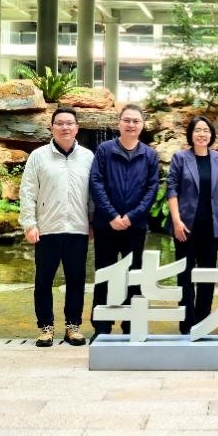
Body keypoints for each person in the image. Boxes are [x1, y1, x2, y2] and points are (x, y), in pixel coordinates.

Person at [18, 107, 94, 348]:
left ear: (77, 128)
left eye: (69, 123)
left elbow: (93, 195)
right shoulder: (38, 156)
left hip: (78, 229)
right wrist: (29, 224)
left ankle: (73, 326)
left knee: (76, 280)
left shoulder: (88, 157)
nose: (65, 127)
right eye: (59, 123)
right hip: (47, 229)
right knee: (43, 281)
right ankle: (45, 327)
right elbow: (27, 192)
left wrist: (92, 222)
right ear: (51, 127)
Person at [89, 103, 159, 337]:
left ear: (142, 125)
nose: (131, 125)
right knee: (104, 273)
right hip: (106, 224)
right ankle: (102, 326)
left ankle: (131, 324)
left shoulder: (149, 155)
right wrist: (112, 215)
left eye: (135, 121)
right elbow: (96, 183)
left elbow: (152, 189)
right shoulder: (104, 150)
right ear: (119, 123)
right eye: (127, 120)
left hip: (135, 226)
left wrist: (131, 216)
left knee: (134, 274)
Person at [167, 115, 218, 334]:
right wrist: (176, 220)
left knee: (208, 275)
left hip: (210, 226)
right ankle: (186, 324)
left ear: (211, 134)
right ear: (191, 134)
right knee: (185, 276)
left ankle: (203, 323)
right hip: (185, 226)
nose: (202, 134)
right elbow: (172, 189)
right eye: (198, 130)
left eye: (206, 130)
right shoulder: (180, 158)